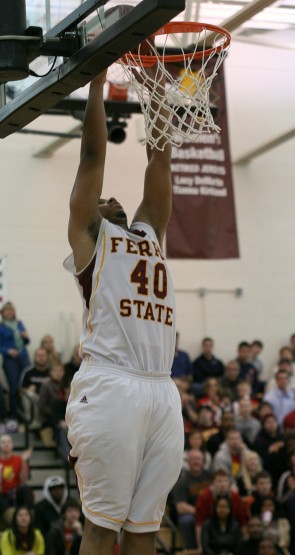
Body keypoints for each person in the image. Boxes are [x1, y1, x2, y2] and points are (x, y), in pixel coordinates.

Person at [64, 67, 184, 555]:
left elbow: (160, 160)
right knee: (100, 529)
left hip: (161, 387)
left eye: (118, 198)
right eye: (104, 199)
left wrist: (157, 92)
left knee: (144, 532)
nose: (112, 197)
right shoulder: (91, 237)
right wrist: (96, 86)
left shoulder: (149, 232)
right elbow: (93, 155)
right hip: (110, 384)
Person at [171, 449, 212, 549]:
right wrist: (200, 512)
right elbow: (180, 507)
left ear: (203, 461)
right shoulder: (182, 481)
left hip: (211, 512)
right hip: (192, 514)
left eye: (198, 459)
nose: (196, 462)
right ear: (188, 462)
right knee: (186, 520)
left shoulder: (211, 477)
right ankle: (193, 548)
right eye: (193, 459)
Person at [0, 302, 31, 417]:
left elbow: (27, 342)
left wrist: (25, 337)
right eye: (7, 310)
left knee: (26, 386)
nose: (9, 312)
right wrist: (8, 351)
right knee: (14, 388)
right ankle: (15, 416)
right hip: (10, 361)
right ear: (3, 313)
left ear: (14, 312)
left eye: (11, 310)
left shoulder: (19, 323)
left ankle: (26, 413)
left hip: (23, 357)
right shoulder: (1, 326)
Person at [0, 434, 33, 517]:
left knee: (26, 490)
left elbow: (23, 481)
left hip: (16, 491)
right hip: (2, 493)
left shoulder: (18, 459)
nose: (6, 444)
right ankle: (11, 517)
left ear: (12, 445)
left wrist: (24, 462)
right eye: (3, 442)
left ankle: (27, 514)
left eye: (9, 442)